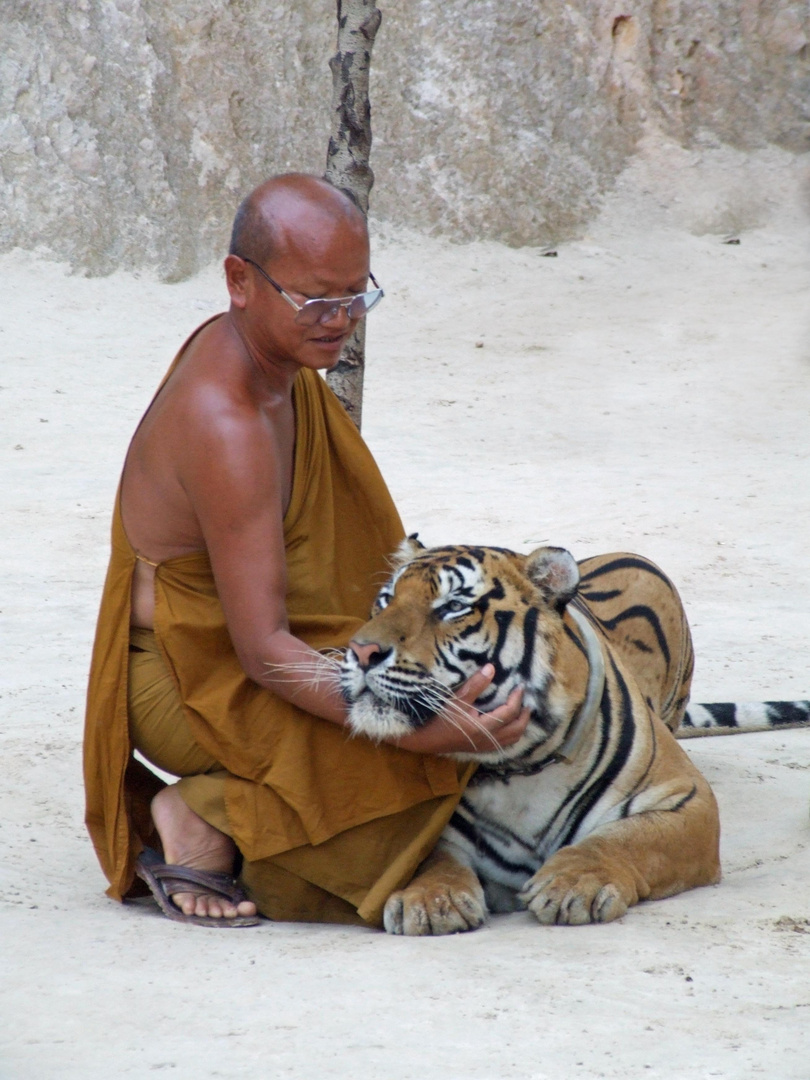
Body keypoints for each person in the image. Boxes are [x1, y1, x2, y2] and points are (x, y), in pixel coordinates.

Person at [84, 174, 530, 927]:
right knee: (409, 774)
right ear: (239, 282)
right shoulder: (227, 427)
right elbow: (265, 655)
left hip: (254, 644)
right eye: (317, 301)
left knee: (457, 707)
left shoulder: (273, 352)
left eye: (358, 296)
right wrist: (420, 727)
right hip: (187, 682)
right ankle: (203, 813)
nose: (342, 323)